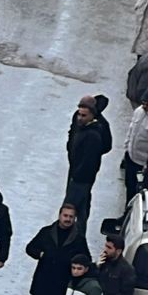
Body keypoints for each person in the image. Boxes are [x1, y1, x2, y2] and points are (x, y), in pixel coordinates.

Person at [64, 96, 109, 235]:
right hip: (76, 173)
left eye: (84, 115)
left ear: (92, 115)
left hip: (81, 178)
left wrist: (78, 175)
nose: (79, 118)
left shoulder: (94, 135)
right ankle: (79, 238)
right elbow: (72, 136)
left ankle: (69, 239)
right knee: (81, 211)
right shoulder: (80, 125)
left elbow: (104, 148)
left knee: (69, 210)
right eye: (79, 114)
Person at [122, 92, 148, 200]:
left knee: (137, 190)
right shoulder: (139, 111)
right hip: (130, 157)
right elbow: (131, 130)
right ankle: (127, 211)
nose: (144, 106)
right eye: (143, 103)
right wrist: (126, 148)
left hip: (142, 163)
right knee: (128, 186)